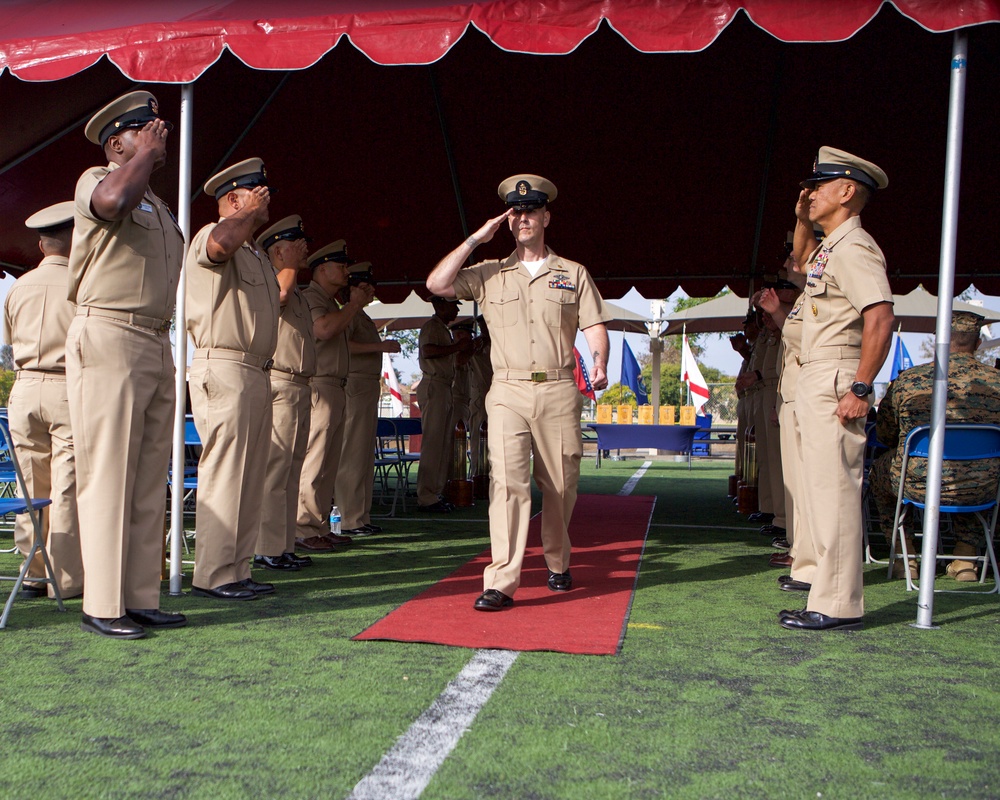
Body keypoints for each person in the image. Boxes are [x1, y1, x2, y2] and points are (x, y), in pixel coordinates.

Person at [426, 174, 610, 611]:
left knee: (561, 483)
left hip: (559, 388)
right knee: (507, 484)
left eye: (531, 211)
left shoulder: (573, 273)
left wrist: (599, 359)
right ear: (508, 221)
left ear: (546, 216)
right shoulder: (488, 273)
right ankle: (502, 580)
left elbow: (594, 324)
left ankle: (558, 560)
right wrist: (475, 239)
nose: (523, 217)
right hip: (506, 389)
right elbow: (437, 284)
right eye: (516, 212)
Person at [67, 91, 186, 638]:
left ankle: (139, 594)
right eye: (146, 128)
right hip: (110, 333)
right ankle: (102, 602)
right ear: (118, 142)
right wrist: (142, 157)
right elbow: (112, 202)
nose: (159, 133)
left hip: (154, 340)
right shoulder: (98, 177)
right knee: (109, 472)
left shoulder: (159, 204)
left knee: (146, 478)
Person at [778, 147, 894, 632]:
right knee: (819, 491)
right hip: (816, 377)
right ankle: (824, 590)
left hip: (836, 377)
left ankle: (839, 603)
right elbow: (799, 259)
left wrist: (861, 387)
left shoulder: (855, 247)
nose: (811, 193)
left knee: (836, 492)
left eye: (820, 185)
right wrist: (802, 215)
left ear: (846, 191)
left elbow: (881, 316)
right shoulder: (831, 246)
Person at [186, 157, 279, 601]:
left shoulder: (256, 251)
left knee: (250, 475)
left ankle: (236, 568)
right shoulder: (215, 232)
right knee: (226, 472)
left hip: (255, 369)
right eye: (257, 192)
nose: (267, 198)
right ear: (235, 198)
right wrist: (240, 214)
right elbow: (219, 246)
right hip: (224, 364)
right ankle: (213, 573)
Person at [870, 311, 1000, 581]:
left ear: (939, 340)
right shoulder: (996, 381)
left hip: (917, 481)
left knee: (879, 472)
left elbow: (885, 434)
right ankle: (965, 558)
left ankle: (905, 557)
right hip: (985, 486)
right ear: (977, 344)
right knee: (973, 470)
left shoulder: (908, 380)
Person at [4, 201, 83, 601]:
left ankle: (32, 572)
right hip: (67, 384)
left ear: (41, 246)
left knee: (29, 482)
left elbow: (9, 338)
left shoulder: (18, 286)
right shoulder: (83, 282)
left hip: (24, 385)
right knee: (67, 483)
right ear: (77, 237)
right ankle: (64, 577)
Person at [296, 240, 373, 549]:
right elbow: (323, 330)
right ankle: (303, 528)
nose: (345, 271)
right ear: (321, 269)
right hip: (320, 384)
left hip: (336, 385)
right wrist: (353, 306)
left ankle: (319, 523)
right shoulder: (313, 297)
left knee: (328, 463)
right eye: (339, 266)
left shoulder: (330, 301)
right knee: (314, 461)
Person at [252, 215, 317, 571]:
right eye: (297, 243)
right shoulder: (274, 280)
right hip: (281, 381)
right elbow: (278, 297)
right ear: (278, 250)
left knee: (291, 470)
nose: (305, 248)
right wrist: (288, 267)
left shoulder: (298, 289)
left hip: (301, 384)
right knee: (277, 470)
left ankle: (283, 543)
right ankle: (267, 547)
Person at [336, 261, 400, 536]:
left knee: (363, 456)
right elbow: (343, 344)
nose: (371, 290)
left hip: (367, 386)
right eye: (365, 286)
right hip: (355, 384)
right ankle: (349, 518)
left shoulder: (361, 317)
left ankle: (361, 515)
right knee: (351, 454)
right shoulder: (348, 315)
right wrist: (379, 346)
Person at [415, 295, 471, 512]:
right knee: (433, 443)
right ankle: (426, 495)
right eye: (452, 306)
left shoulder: (442, 329)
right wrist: (456, 347)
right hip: (434, 385)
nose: (456, 311)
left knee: (443, 444)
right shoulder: (432, 326)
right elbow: (427, 351)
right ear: (439, 305)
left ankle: (435, 492)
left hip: (445, 386)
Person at [467, 315, 493, 477]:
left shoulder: (502, 345)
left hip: (500, 397)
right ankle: (478, 475)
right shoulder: (476, 346)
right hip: (480, 398)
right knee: (479, 438)